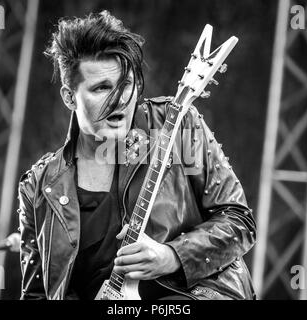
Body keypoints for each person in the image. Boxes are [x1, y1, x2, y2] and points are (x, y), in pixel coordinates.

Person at [17, 10, 256, 300]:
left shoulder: (176, 124)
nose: (119, 100)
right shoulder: (38, 186)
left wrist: (172, 255)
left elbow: (238, 221)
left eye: (126, 84)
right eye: (102, 88)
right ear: (69, 97)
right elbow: (36, 295)